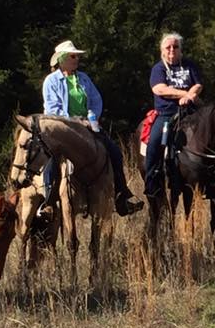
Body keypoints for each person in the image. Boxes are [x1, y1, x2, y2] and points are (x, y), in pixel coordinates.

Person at [39, 39, 143, 220]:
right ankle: (48, 201)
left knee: (114, 152)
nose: (77, 59)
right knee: (51, 158)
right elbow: (52, 109)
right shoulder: (51, 81)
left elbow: (96, 99)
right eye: (73, 56)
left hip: (88, 125)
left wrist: (91, 116)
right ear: (62, 59)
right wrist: (75, 122)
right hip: (63, 128)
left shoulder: (84, 78)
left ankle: (122, 195)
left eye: (77, 56)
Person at [145, 33, 204, 200]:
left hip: (192, 112)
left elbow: (198, 85)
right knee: (154, 143)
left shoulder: (189, 65)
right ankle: (152, 182)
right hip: (167, 113)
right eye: (168, 47)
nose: (172, 50)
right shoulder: (158, 68)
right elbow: (159, 89)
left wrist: (191, 95)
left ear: (180, 49)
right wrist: (185, 94)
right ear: (162, 50)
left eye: (175, 47)